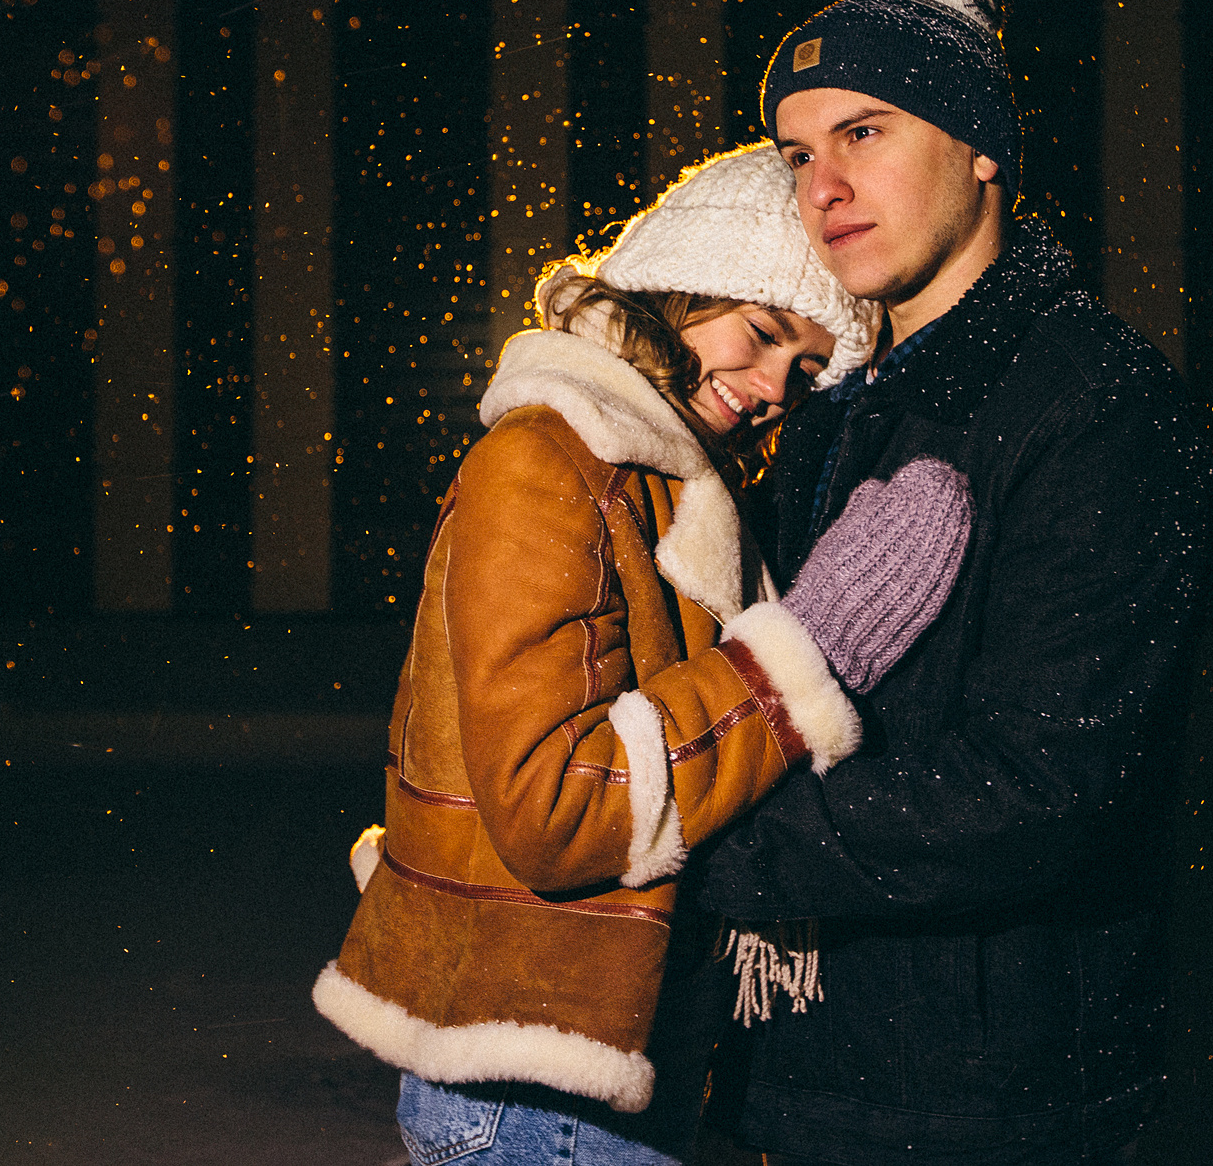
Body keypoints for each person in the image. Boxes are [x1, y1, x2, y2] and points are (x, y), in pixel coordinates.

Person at [313, 142, 980, 1165]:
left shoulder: (666, 478)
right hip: (535, 1089)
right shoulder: (548, 461)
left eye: (804, 367)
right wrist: (793, 661)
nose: (771, 386)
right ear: (678, 288)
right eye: (760, 333)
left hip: (593, 1057)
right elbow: (556, 807)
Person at [694, 0, 1212, 1164]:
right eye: (796, 152)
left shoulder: (1096, 404)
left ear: (982, 146)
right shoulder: (824, 398)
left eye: (864, 131)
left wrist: (691, 840)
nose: (822, 185)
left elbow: (1046, 788)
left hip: (988, 1092)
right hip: (797, 1057)